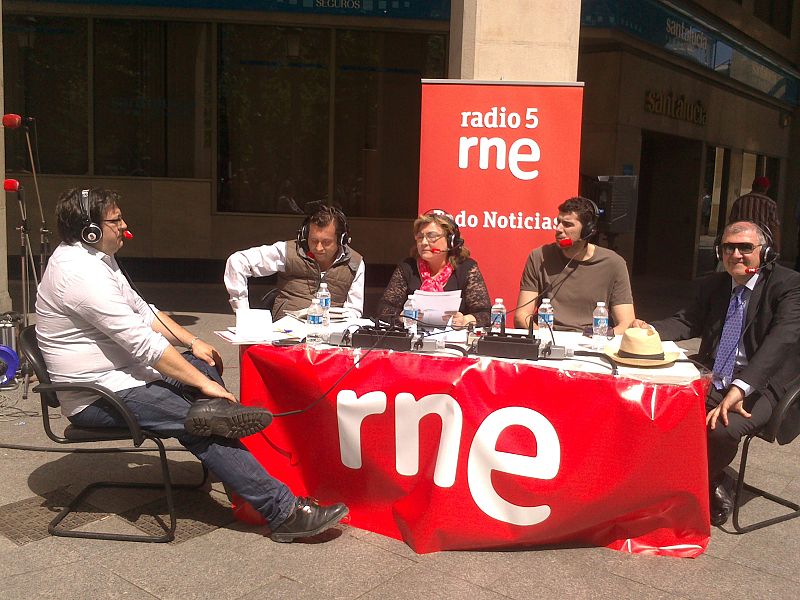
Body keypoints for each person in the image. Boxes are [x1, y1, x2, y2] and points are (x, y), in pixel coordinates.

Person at [36, 188, 349, 542]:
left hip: (126, 376)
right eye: (116, 220)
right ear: (90, 230)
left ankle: (239, 475)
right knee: (202, 420)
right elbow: (144, 344)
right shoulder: (79, 275)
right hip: (96, 395)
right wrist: (204, 386)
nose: (124, 225)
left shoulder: (97, 259)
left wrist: (193, 343)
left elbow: (145, 313)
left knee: (204, 370)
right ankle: (284, 512)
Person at [632, 220, 800, 527]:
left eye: (745, 247)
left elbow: (780, 342)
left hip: (765, 384)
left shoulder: (789, 285)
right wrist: (649, 329)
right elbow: (687, 321)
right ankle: (697, 478)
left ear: (766, 252)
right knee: (654, 402)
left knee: (722, 430)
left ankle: (696, 485)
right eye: (728, 248)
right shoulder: (715, 284)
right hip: (715, 372)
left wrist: (741, 387)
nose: (735, 255)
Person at [514, 196, 635, 333]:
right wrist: (544, 337)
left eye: (567, 224)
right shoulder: (539, 256)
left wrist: (601, 338)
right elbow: (521, 316)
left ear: (587, 230)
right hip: (548, 337)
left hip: (592, 339)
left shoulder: (614, 263)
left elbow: (626, 323)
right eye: (558, 222)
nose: (559, 229)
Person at [225, 204, 364, 319]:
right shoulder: (287, 252)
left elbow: (354, 311)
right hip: (285, 334)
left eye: (326, 242)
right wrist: (243, 313)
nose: (318, 248)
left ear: (341, 240)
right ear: (305, 235)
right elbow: (238, 261)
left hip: (328, 336)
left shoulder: (355, 264)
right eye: (313, 240)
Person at [376, 209, 491, 328]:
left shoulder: (466, 268)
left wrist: (465, 320)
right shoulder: (407, 267)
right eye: (420, 237)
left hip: (453, 336)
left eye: (431, 236)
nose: (424, 242)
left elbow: (485, 314)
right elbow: (383, 308)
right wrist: (403, 316)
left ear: (450, 241)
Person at [728, 176, 781, 251]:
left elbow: (732, 222)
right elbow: (774, 226)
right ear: (766, 188)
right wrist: (777, 246)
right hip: (762, 243)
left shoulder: (739, 201)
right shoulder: (770, 204)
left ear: (753, 186)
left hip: (741, 239)